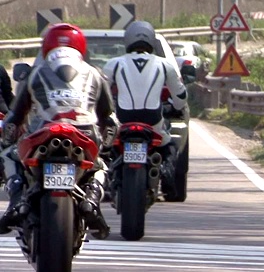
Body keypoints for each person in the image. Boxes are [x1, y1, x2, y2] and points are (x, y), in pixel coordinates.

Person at [0, 23, 115, 239]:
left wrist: (7, 141)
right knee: (100, 166)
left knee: (8, 157)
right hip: (84, 135)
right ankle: (90, 199)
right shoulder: (94, 74)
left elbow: (14, 117)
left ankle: (17, 202)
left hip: (42, 134)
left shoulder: (34, 74)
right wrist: (106, 147)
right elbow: (109, 120)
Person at [102, 20, 188, 197]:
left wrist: (102, 111)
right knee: (169, 144)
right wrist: (175, 107)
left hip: (123, 120)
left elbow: (99, 93)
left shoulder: (114, 63)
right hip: (153, 121)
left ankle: (104, 176)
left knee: (105, 146)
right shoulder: (165, 64)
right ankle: (166, 175)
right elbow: (180, 96)